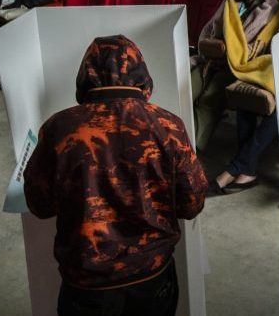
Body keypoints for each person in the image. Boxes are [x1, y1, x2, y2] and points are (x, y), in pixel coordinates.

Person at [24, 35, 207, 316]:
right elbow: (192, 203)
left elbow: (39, 204)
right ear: (142, 76)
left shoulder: (60, 128)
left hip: (87, 283)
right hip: (152, 275)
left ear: (85, 76)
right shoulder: (168, 126)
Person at [193, 0, 279, 151]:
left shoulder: (274, 9)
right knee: (186, 86)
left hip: (241, 67)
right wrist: (211, 49)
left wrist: (228, 54)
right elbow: (209, 29)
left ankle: (193, 144)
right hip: (211, 59)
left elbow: (260, 47)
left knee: (208, 98)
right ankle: (171, 132)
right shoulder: (230, 2)